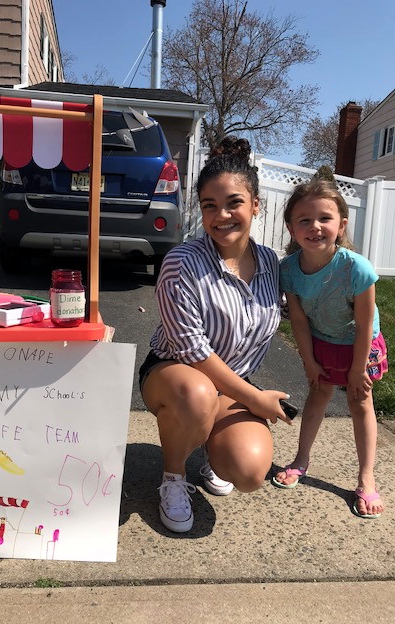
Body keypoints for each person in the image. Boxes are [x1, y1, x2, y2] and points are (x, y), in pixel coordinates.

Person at [139, 136, 292, 533]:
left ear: (256, 205)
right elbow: (191, 352)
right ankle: (173, 477)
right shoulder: (182, 264)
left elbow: (314, 301)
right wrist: (256, 399)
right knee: (197, 394)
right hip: (173, 375)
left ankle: (212, 448)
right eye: (210, 206)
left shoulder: (273, 264)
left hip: (231, 385)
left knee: (249, 471)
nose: (221, 214)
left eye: (234, 203)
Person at [273, 179, 388, 519]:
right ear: (292, 228)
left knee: (359, 400)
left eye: (324, 217)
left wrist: (356, 368)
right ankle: (301, 459)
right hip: (322, 341)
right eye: (304, 220)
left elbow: (365, 322)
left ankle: (366, 477)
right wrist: (308, 361)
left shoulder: (357, 269)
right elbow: (298, 320)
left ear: (341, 224)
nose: (315, 226)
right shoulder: (289, 270)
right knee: (318, 394)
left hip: (359, 344)